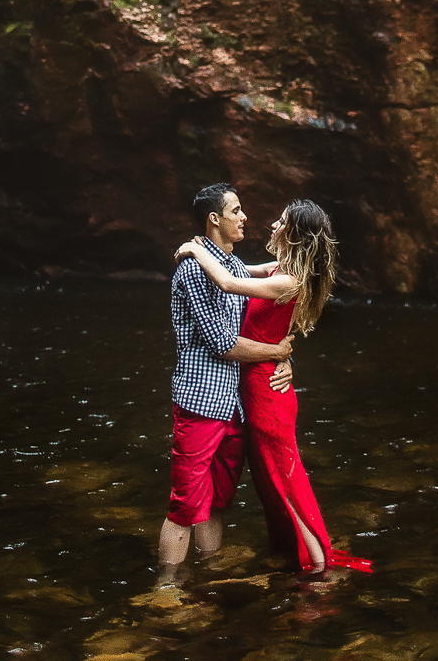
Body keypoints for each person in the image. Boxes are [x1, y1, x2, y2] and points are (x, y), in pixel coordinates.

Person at [175, 198, 372, 575]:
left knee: (286, 482)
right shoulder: (279, 270)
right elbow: (237, 267)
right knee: (273, 481)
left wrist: (194, 250)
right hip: (258, 383)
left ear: (295, 234)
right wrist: (283, 355)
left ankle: (318, 567)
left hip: (266, 394)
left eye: (281, 222)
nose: (271, 225)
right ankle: (301, 558)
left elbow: (229, 282)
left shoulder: (289, 280)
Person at [158, 183, 295, 569]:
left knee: (218, 500)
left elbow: (268, 278)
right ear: (214, 219)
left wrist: (286, 355)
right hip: (201, 402)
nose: (244, 217)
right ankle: (165, 591)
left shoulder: (229, 265)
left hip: (233, 405)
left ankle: (209, 574)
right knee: (185, 503)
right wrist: (277, 352)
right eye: (236, 211)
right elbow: (222, 342)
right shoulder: (193, 270)